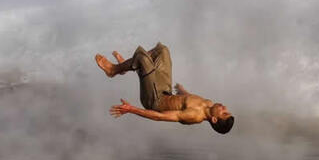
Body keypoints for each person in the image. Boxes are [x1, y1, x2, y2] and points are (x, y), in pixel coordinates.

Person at [95, 42, 234, 133]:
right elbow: (189, 99)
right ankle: (128, 66)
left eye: (224, 112)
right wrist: (182, 91)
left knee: (142, 59)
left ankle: (114, 70)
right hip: (165, 90)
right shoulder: (208, 103)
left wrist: (131, 109)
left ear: (215, 119)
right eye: (227, 110)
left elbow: (160, 117)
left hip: (154, 101)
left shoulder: (194, 116)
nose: (224, 107)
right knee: (162, 51)